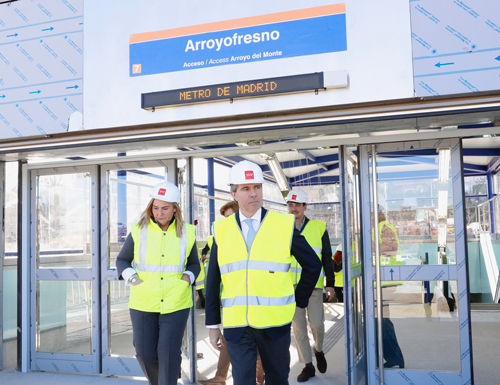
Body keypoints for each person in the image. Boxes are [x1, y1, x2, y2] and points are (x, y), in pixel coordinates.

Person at [205, 160, 322, 385]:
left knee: (277, 380)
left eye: (257, 187)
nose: (253, 193)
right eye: (246, 189)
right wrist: (212, 326)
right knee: (243, 381)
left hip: (274, 324)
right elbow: (213, 280)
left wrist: (299, 300)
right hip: (237, 325)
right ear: (234, 194)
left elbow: (313, 264)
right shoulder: (221, 230)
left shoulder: (283, 224)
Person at [116, 181, 201, 385]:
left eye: (164, 208)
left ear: (174, 208)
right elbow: (122, 260)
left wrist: (188, 278)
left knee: (169, 354)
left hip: (176, 301)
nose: (159, 213)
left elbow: (195, 264)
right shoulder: (138, 230)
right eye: (155, 207)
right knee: (145, 354)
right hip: (143, 301)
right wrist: (133, 279)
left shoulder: (188, 231)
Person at [286, 189, 335, 382]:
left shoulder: (319, 227)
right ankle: (307, 365)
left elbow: (327, 258)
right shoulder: (281, 228)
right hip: (290, 286)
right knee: (298, 329)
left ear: (305, 207)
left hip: (313, 285)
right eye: (290, 205)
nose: (294, 208)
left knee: (316, 324)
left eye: (298, 205)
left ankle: (319, 349)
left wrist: (329, 284)